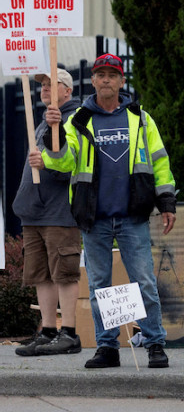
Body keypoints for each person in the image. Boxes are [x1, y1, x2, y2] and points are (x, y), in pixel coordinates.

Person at [34, 53, 177, 370]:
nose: (106, 79)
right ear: (94, 81)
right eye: (100, 74)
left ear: (122, 81)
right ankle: (107, 347)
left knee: (145, 283)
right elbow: (63, 163)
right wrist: (54, 136)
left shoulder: (140, 117)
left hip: (132, 215)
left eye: (112, 74)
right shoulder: (79, 120)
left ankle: (155, 344)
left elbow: (160, 162)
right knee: (99, 287)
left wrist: (166, 202)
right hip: (93, 217)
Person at [13, 68, 82, 356]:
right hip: (35, 212)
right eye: (42, 85)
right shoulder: (42, 123)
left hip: (59, 211)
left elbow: (72, 162)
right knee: (41, 274)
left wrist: (48, 160)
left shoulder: (74, 120)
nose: (45, 89)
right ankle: (49, 330)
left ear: (68, 91)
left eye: (53, 84)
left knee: (63, 273)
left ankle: (69, 333)